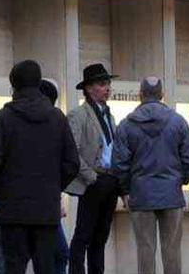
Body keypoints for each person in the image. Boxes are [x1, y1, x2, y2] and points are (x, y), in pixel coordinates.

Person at [0, 60, 80, 274]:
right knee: (46, 266)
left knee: (14, 266)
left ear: (13, 85)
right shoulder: (57, 118)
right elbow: (72, 163)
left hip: (12, 210)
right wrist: (53, 186)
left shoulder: (3, 118)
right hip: (46, 209)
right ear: (38, 82)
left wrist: (0, 192)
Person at [112, 77, 189, 274]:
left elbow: (119, 163)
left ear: (140, 95)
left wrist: (127, 189)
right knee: (172, 250)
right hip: (171, 194)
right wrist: (181, 179)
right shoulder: (178, 122)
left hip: (141, 194)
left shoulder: (127, 124)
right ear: (162, 95)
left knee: (145, 250)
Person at [66, 63, 121, 274]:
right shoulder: (79, 114)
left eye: (108, 83)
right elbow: (72, 150)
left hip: (110, 179)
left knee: (101, 236)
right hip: (94, 179)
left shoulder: (109, 116)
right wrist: (91, 177)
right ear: (89, 88)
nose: (107, 88)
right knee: (83, 235)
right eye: (102, 84)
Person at [39, 79, 74, 274]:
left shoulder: (9, 119)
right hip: (46, 201)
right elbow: (70, 163)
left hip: (24, 203)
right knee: (58, 253)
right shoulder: (55, 122)